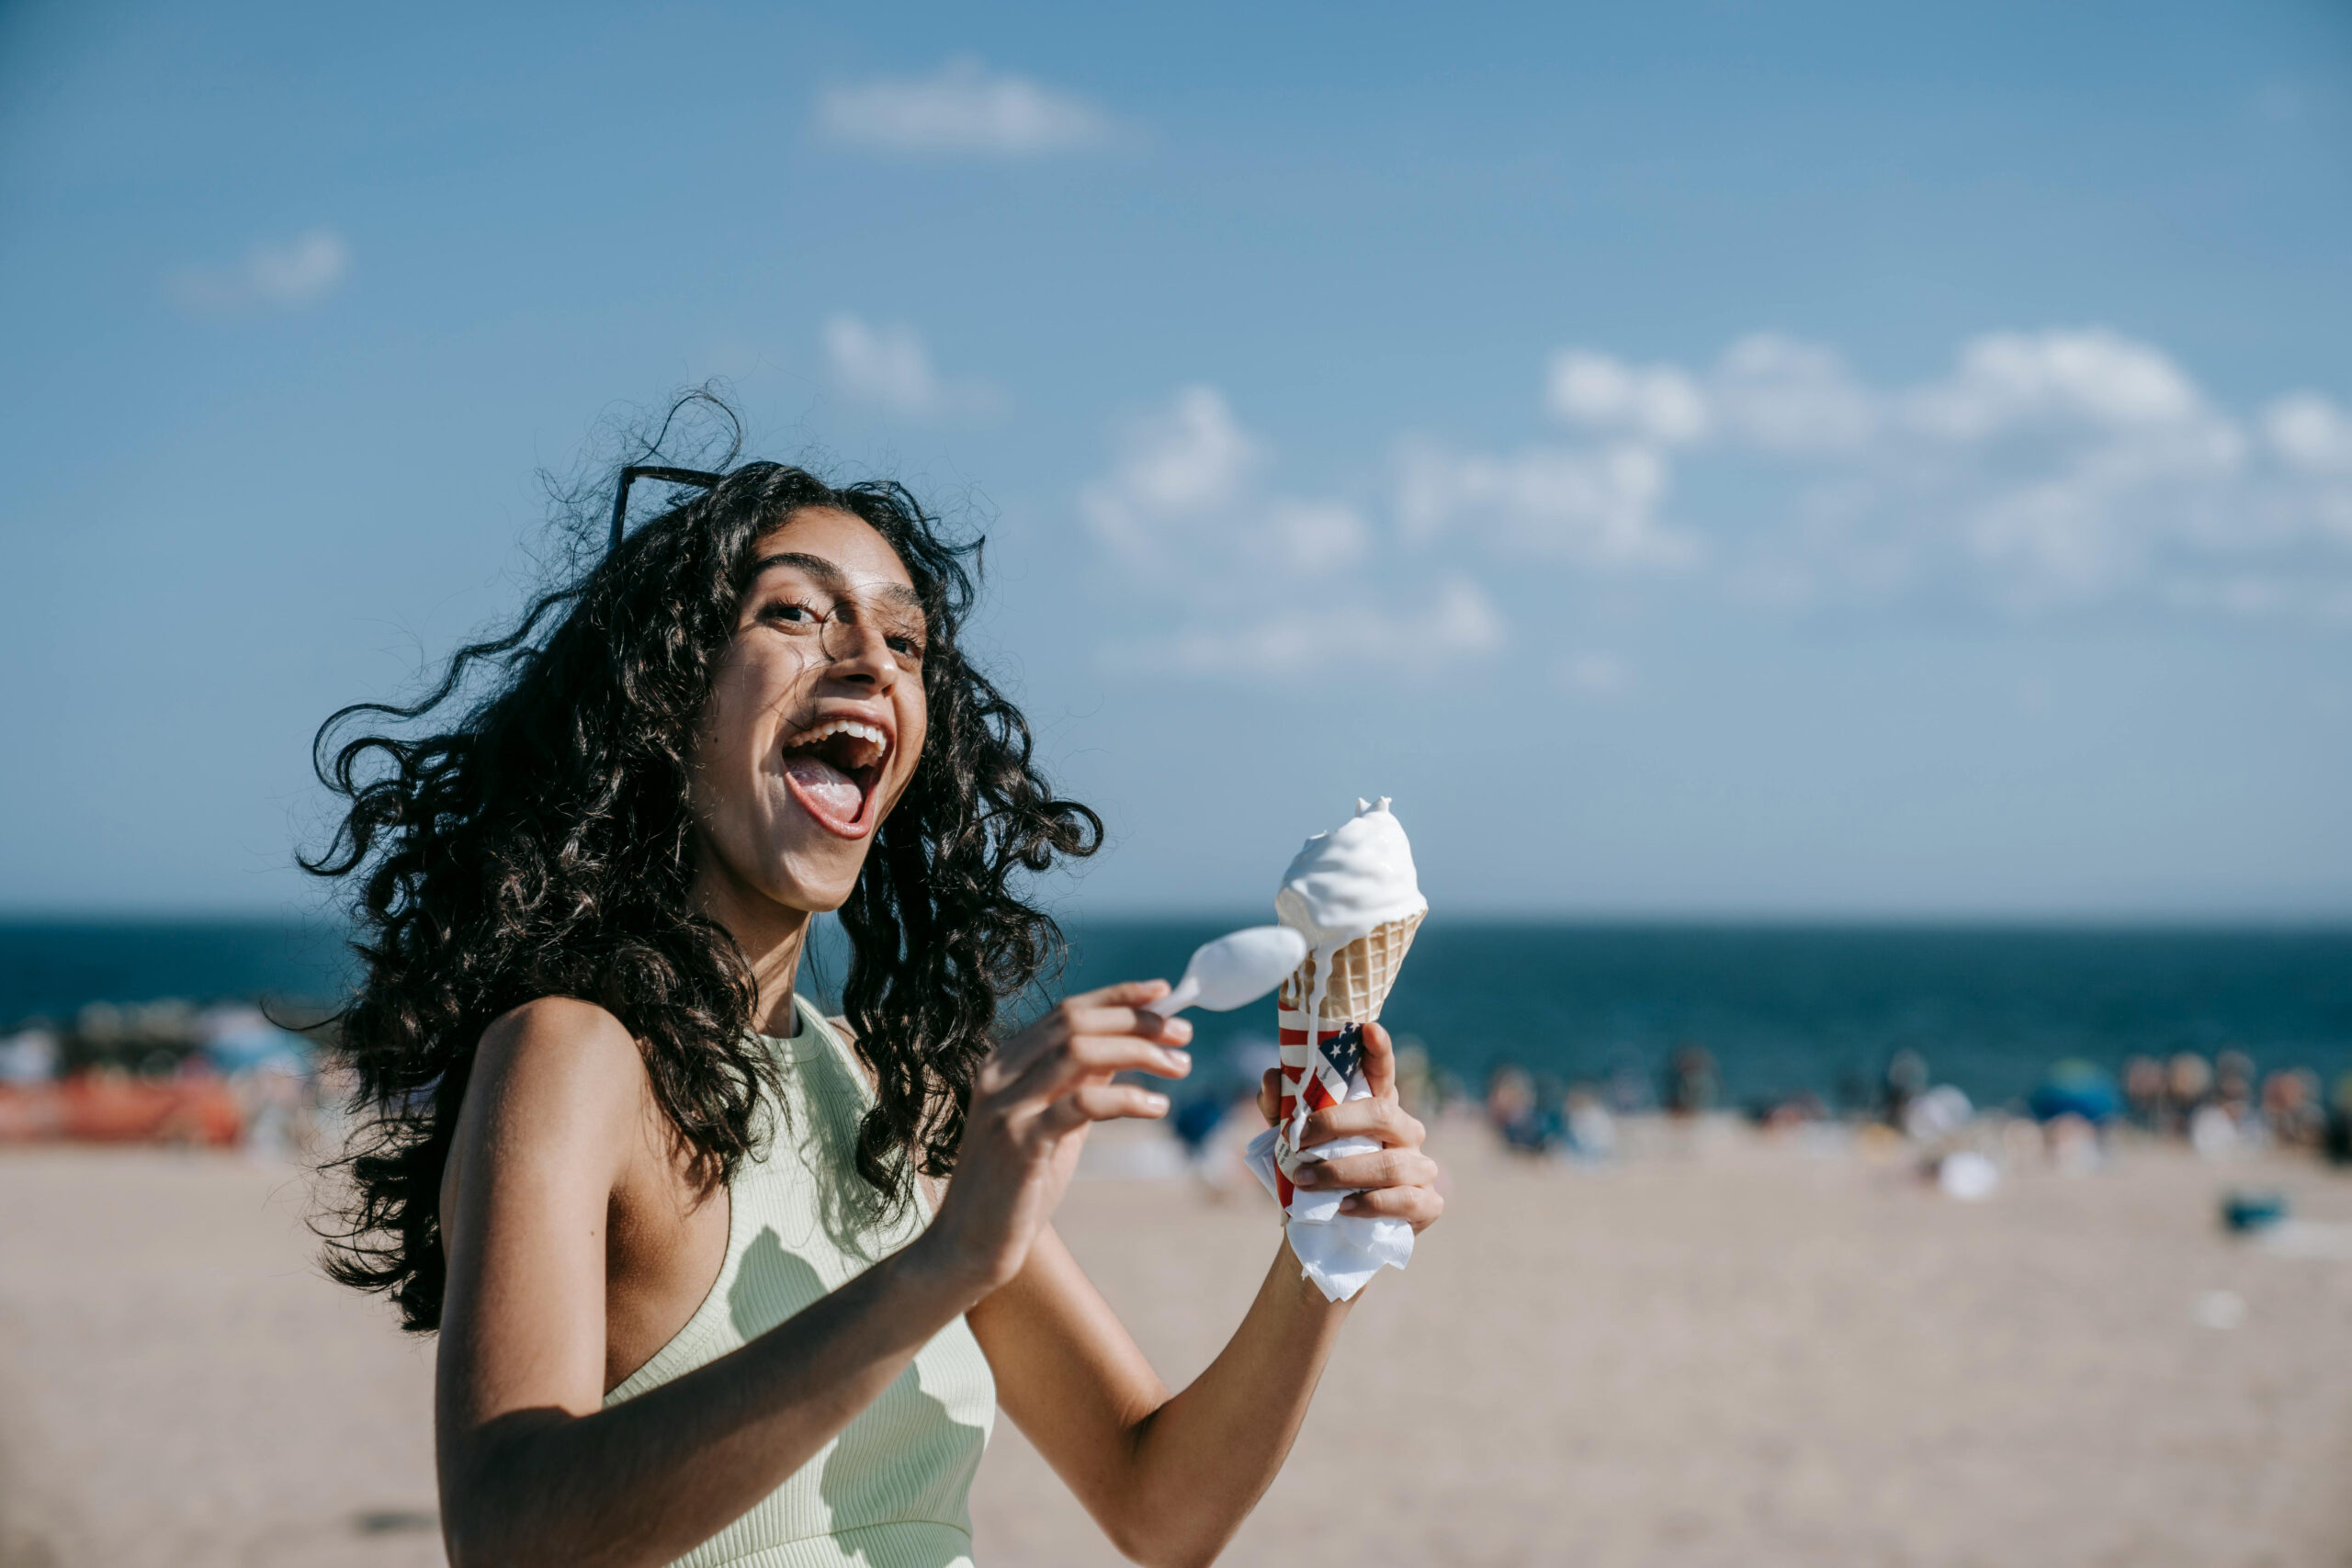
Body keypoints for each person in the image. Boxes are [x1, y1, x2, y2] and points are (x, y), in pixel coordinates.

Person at [306, 433, 1445, 1568]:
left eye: (904, 639)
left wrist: (1322, 1253)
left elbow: (1163, 1508)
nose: (870, 660)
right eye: (797, 614)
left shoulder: (889, 1096)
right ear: (662, 695)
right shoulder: (570, 1057)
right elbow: (510, 1537)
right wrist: (939, 1268)